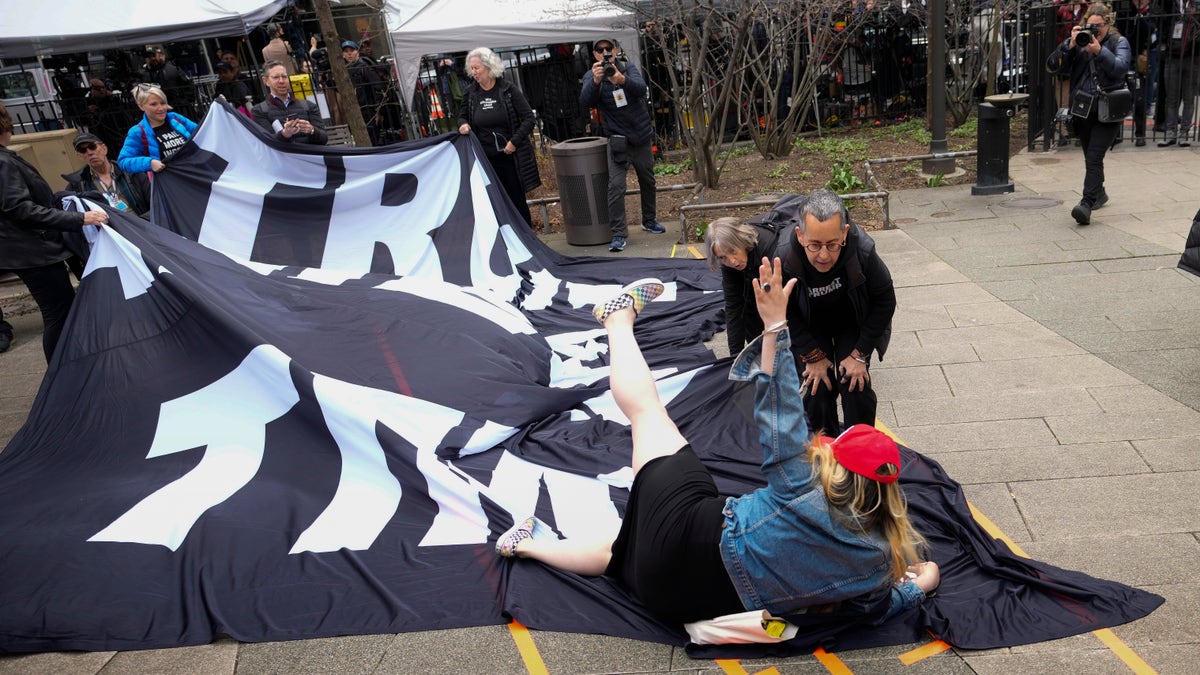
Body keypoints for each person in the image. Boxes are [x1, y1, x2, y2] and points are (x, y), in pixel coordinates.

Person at [494, 260, 939, 630]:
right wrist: (921, 584)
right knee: (620, 551)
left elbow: (780, 409)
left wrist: (775, 327)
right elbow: (876, 609)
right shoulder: (878, 562)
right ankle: (525, 545)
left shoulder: (803, 484)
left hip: (688, 532)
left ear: (840, 466)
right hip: (675, 600)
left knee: (648, 413)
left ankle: (617, 318)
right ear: (890, 493)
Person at [780, 189, 895, 437]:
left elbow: (885, 300)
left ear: (844, 232)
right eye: (815, 245)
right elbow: (783, 311)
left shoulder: (862, 250)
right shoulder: (784, 257)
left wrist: (860, 353)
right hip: (809, 324)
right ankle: (826, 454)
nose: (824, 255)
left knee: (855, 385)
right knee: (816, 388)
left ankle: (860, 451)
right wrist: (811, 355)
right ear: (800, 236)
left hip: (850, 320)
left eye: (832, 245)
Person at [0, 103, 109, 361]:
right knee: (59, 313)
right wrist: (79, 218)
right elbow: (21, 209)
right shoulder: (3, 162)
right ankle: (62, 374)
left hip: (26, 250)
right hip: (32, 252)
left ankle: (70, 368)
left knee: (61, 311)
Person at [1046, 3, 1131, 225]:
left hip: (1108, 110)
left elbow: (1120, 69)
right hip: (1083, 110)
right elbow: (1053, 66)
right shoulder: (1079, 43)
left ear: (1107, 24)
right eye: (1089, 26)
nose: (1094, 31)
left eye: (1098, 27)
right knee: (1090, 158)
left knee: (1094, 156)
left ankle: (1086, 204)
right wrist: (1069, 44)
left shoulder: (1118, 42)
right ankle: (1099, 193)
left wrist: (1100, 52)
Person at [580, 37, 665, 253]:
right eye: (600, 50)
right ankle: (618, 233)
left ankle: (649, 219)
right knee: (616, 187)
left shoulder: (627, 67)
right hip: (617, 140)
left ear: (615, 50)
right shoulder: (592, 75)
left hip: (641, 135)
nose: (605, 52)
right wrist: (596, 81)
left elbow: (641, 89)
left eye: (609, 48)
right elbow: (585, 101)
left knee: (647, 180)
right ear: (595, 54)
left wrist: (621, 79)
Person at [457, 47, 541, 227]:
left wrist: (514, 142)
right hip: (485, 157)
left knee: (516, 200)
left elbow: (529, 118)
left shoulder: (508, 90)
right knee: (493, 200)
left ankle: (525, 237)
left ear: (488, 67)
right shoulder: (471, 93)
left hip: (509, 155)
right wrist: (463, 124)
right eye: (471, 69)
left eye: (477, 68)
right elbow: (462, 115)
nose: (474, 72)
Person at [705, 215, 790, 355]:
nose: (732, 261)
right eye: (722, 257)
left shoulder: (771, 249)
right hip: (753, 281)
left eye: (733, 251)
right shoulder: (730, 262)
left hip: (786, 292)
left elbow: (789, 308)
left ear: (742, 241)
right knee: (748, 310)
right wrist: (734, 357)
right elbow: (734, 306)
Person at [62, 132, 151, 218]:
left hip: (139, 226)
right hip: (108, 231)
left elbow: (155, 204)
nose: (89, 153)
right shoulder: (77, 185)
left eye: (92, 147)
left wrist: (144, 223)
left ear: (104, 149)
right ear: (79, 156)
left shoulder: (131, 172)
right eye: (83, 150)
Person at [117, 84, 198, 176]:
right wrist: (150, 163)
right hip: (171, 183)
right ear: (141, 106)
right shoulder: (137, 132)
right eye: (153, 104)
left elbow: (202, 132)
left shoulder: (175, 118)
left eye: (163, 103)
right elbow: (123, 161)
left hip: (196, 173)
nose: (161, 108)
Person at [252, 60, 327, 145]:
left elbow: (324, 139)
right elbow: (266, 142)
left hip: (308, 156)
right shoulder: (259, 111)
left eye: (284, 77)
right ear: (266, 81)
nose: (281, 81)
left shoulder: (309, 106)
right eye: (276, 77)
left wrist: (312, 130)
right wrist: (285, 134)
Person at [1156, 0, 1199, 146]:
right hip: (1171, 55)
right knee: (1171, 98)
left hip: (1193, 56)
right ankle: (1170, 133)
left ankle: (1184, 134)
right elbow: (1161, 23)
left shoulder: (1196, 4)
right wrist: (1162, 46)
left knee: (1188, 97)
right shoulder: (1169, 4)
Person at [342, 40, 388, 145]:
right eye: (346, 51)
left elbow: (378, 87)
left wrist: (378, 111)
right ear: (343, 55)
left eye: (351, 50)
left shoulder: (364, 67)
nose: (349, 53)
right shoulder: (345, 70)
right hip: (356, 111)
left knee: (372, 140)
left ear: (357, 52)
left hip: (369, 110)